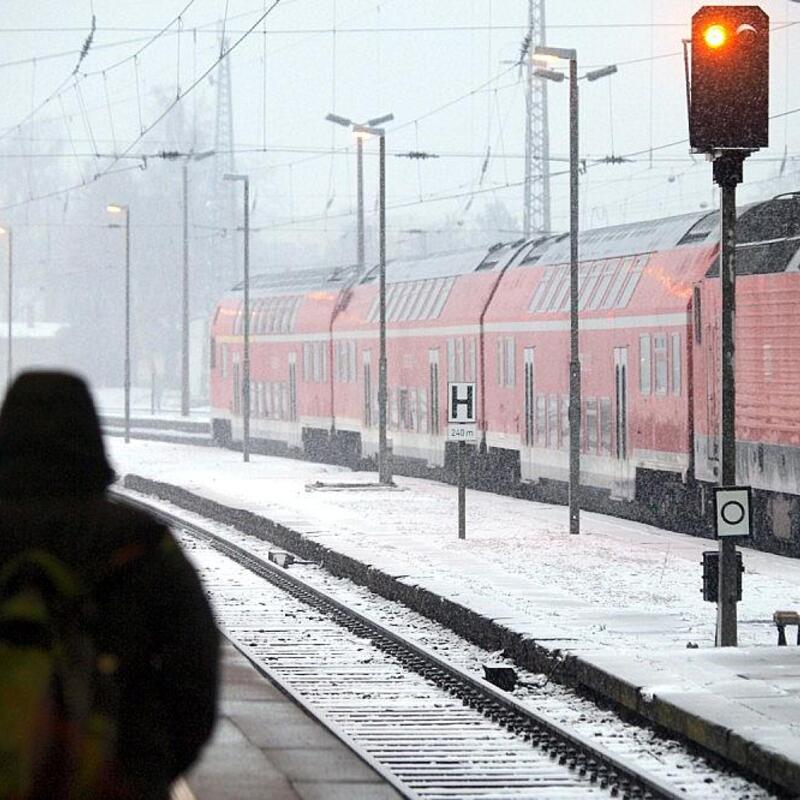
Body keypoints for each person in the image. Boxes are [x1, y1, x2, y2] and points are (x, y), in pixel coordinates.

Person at [0, 371, 219, 799]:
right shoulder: (141, 543)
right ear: (91, 439)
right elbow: (195, 682)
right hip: (112, 779)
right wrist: (144, 769)